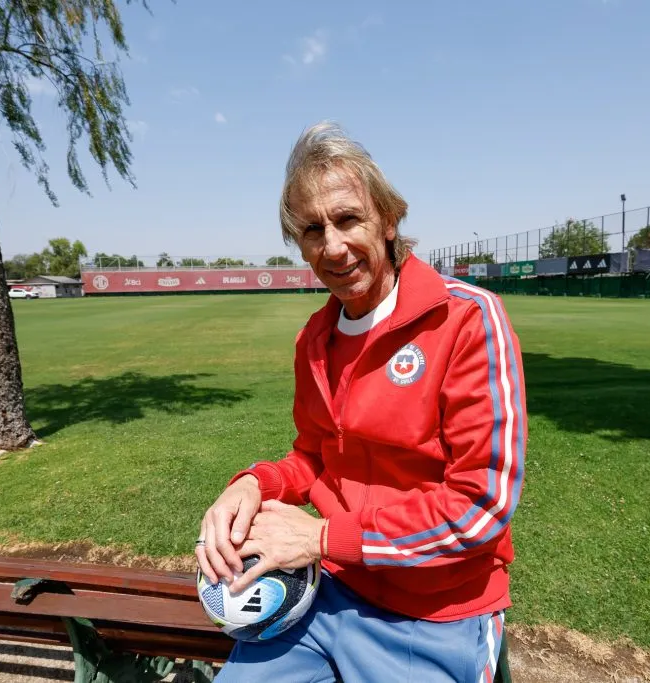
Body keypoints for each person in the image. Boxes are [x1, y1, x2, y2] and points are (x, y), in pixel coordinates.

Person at [196, 121, 527, 682]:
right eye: (311, 230)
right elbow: (315, 458)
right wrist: (253, 483)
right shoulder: (315, 338)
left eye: (348, 219)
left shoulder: (467, 318)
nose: (333, 246)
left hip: (433, 614)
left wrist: (322, 536)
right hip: (325, 593)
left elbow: (482, 506)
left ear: (389, 217)